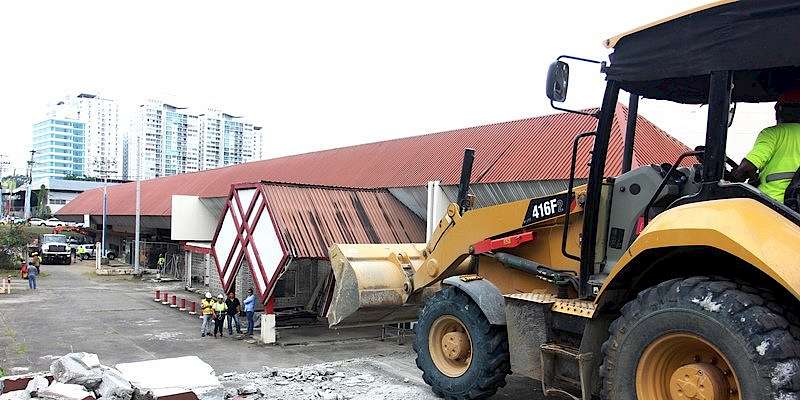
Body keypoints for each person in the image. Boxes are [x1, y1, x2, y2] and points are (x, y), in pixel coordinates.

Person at [733, 89, 800, 202]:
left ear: (779, 110)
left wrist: (734, 177)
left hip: (772, 204)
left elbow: (747, 167)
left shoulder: (772, 134)